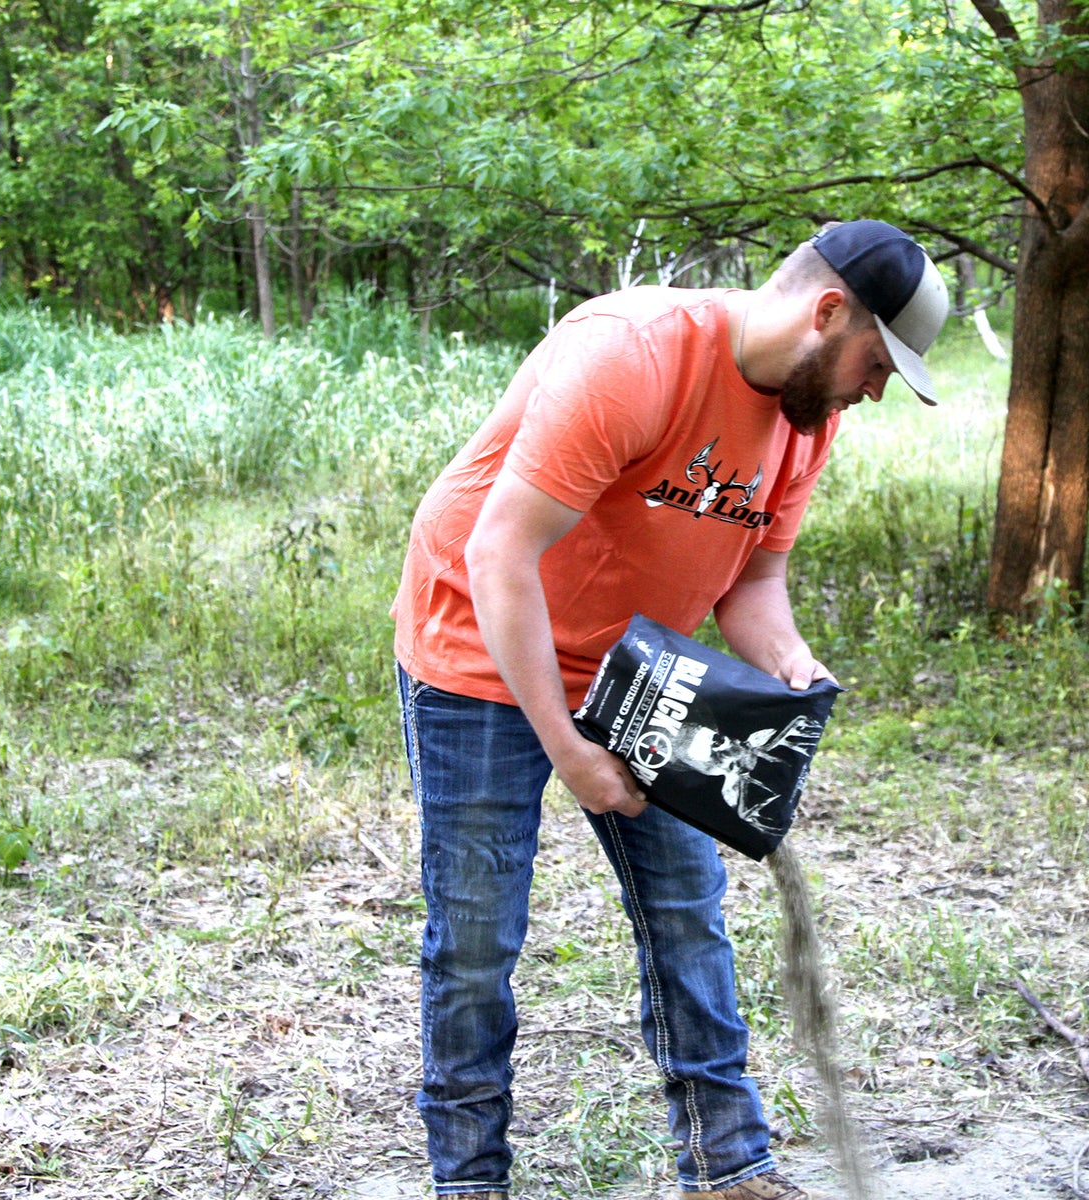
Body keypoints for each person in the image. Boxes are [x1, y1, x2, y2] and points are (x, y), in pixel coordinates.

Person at [392, 220, 948, 1200]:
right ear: (828, 312)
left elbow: (753, 582)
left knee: (687, 910)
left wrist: (789, 663)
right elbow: (498, 553)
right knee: (479, 939)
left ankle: (730, 1170)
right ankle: (470, 1182)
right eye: (876, 363)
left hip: (638, 664)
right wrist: (569, 750)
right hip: (483, 640)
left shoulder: (805, 418)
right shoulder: (633, 355)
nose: (873, 390)